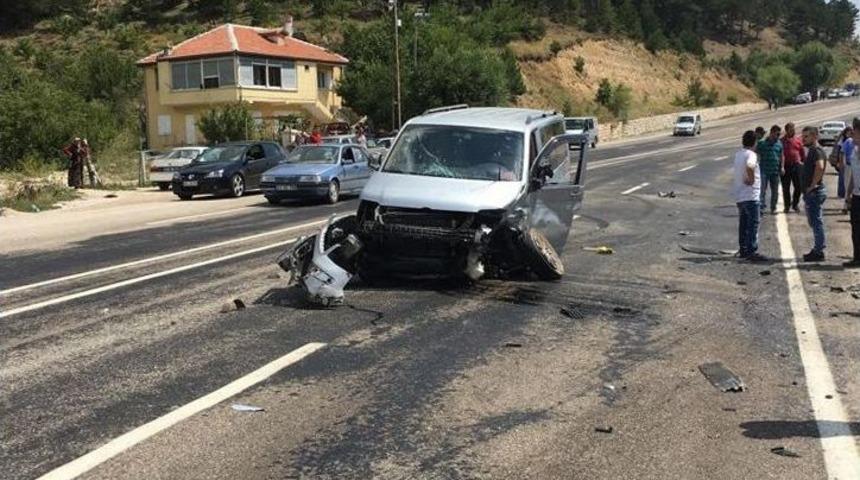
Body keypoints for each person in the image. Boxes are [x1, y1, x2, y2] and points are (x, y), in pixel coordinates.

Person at [734, 130, 767, 261]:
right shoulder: (751, 154)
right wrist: (752, 180)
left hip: (740, 195)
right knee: (753, 224)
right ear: (754, 142)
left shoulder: (738, 154)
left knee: (743, 224)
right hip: (751, 195)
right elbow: (750, 166)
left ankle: (743, 249)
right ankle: (751, 251)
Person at [800, 126, 828, 262]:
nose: (803, 139)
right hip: (812, 192)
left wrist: (812, 186)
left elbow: (820, 167)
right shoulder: (813, 150)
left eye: (806, 136)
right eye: (803, 136)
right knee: (814, 221)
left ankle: (818, 251)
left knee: (816, 222)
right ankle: (818, 248)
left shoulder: (816, 151)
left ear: (814, 136)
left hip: (814, 192)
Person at [756, 125, 783, 215]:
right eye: (777, 134)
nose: (778, 136)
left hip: (775, 171)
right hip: (764, 170)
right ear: (772, 133)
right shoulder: (762, 143)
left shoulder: (779, 143)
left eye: (779, 134)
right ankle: (761, 208)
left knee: (775, 191)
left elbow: (781, 156)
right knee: (762, 190)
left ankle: (773, 208)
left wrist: (782, 167)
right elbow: (755, 152)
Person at [845, 117, 860, 268]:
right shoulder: (854, 151)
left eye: (854, 133)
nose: (851, 136)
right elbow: (853, 175)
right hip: (856, 196)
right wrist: (848, 193)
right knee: (855, 229)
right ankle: (857, 258)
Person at [781, 122, 804, 213]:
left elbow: (802, 152)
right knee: (786, 188)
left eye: (793, 129)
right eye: (791, 129)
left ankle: (795, 204)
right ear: (787, 130)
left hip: (796, 166)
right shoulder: (781, 141)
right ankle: (787, 206)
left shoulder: (798, 140)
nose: (793, 130)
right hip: (786, 166)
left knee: (798, 187)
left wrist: (803, 163)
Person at [838, 126, 854, 213]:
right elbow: (842, 152)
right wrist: (841, 164)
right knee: (848, 186)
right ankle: (846, 206)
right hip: (849, 167)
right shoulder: (848, 141)